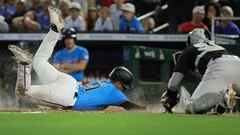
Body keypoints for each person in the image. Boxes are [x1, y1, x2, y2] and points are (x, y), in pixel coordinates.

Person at [8, 6, 145, 111]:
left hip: (68, 82)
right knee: (23, 91)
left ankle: (55, 30)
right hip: (67, 96)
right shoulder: (116, 92)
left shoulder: (104, 82)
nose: (124, 90)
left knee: (39, 61)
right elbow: (133, 107)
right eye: (124, 87)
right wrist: (153, 108)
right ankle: (24, 64)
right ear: (119, 84)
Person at [161, 28, 240, 114]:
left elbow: (173, 84)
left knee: (191, 108)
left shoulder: (189, 50)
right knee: (208, 100)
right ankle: (221, 100)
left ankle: (223, 97)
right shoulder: (218, 47)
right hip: (237, 61)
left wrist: (171, 97)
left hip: (218, 65)